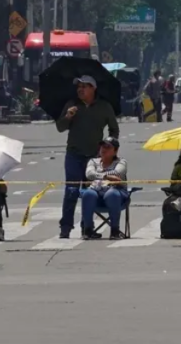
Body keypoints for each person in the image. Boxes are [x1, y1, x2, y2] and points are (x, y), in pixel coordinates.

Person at [54, 75, 120, 239]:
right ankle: (66, 227)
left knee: (90, 192)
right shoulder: (72, 105)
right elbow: (60, 127)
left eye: (85, 86)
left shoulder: (104, 106)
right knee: (71, 191)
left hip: (94, 156)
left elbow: (114, 129)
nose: (80, 89)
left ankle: (87, 227)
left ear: (93, 88)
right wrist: (68, 117)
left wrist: (108, 147)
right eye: (79, 86)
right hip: (74, 154)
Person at [79, 137, 128, 240]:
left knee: (112, 194)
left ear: (115, 151)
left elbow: (117, 173)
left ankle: (115, 231)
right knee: (88, 194)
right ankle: (88, 230)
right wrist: (105, 177)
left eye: (108, 147)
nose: (103, 149)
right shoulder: (93, 161)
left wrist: (97, 175)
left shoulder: (121, 162)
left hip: (116, 192)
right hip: (96, 191)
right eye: (102, 146)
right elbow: (89, 174)